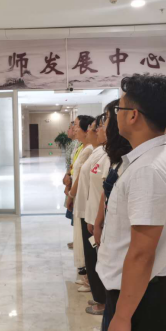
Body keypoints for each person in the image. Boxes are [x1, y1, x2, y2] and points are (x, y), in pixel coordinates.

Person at [97, 73, 166, 331]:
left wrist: (123, 317)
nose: (116, 116)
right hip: (140, 292)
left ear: (133, 115)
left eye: (119, 109)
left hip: (142, 300)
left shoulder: (149, 169)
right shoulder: (152, 157)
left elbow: (142, 253)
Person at [93, 99, 132, 331]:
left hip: (123, 261)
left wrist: (123, 317)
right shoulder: (119, 158)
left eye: (106, 119)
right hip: (113, 252)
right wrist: (99, 221)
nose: (102, 125)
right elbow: (106, 192)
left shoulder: (142, 165)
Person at [73, 117, 104, 295]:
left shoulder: (101, 154)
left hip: (94, 213)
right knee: (90, 252)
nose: (95, 131)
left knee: (94, 253)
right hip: (87, 209)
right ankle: (94, 286)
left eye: (97, 127)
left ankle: (98, 291)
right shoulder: (96, 152)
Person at [82, 116, 108, 318]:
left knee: (103, 261)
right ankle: (100, 297)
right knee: (96, 260)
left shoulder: (108, 156)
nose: (97, 130)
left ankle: (104, 300)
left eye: (101, 126)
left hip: (101, 220)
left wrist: (97, 221)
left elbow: (104, 193)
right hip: (92, 216)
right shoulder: (101, 153)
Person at [67, 115, 94, 283]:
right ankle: (84, 269)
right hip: (77, 195)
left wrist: (71, 194)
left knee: (84, 234)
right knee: (79, 232)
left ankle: (87, 272)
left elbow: (81, 177)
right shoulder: (82, 147)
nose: (74, 128)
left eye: (77, 125)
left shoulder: (90, 150)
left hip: (82, 196)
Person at [63, 121, 78, 243]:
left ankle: (77, 240)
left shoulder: (78, 144)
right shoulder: (72, 143)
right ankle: (76, 239)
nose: (68, 131)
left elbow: (73, 164)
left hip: (73, 179)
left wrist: (68, 176)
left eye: (70, 128)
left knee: (73, 207)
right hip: (70, 177)